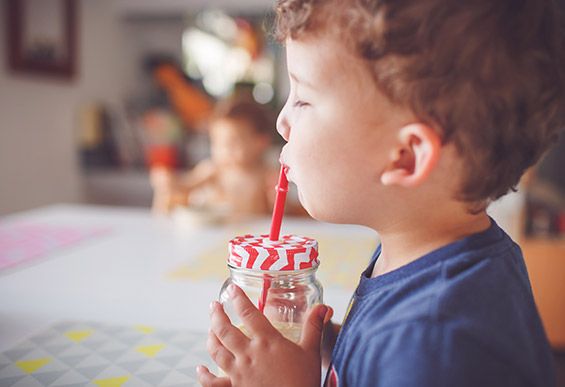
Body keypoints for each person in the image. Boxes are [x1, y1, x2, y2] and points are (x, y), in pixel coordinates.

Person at [197, 0, 565, 386]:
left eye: (303, 98)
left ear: (405, 157)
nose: (282, 121)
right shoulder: (423, 259)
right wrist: (327, 344)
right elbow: (381, 362)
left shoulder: (437, 344)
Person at [150, 96, 279, 218]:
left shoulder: (267, 175)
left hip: (251, 238)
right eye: (217, 142)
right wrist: (170, 181)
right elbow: (186, 186)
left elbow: (283, 215)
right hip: (215, 235)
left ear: (261, 142)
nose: (223, 150)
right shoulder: (213, 170)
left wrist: (276, 202)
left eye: (232, 142)